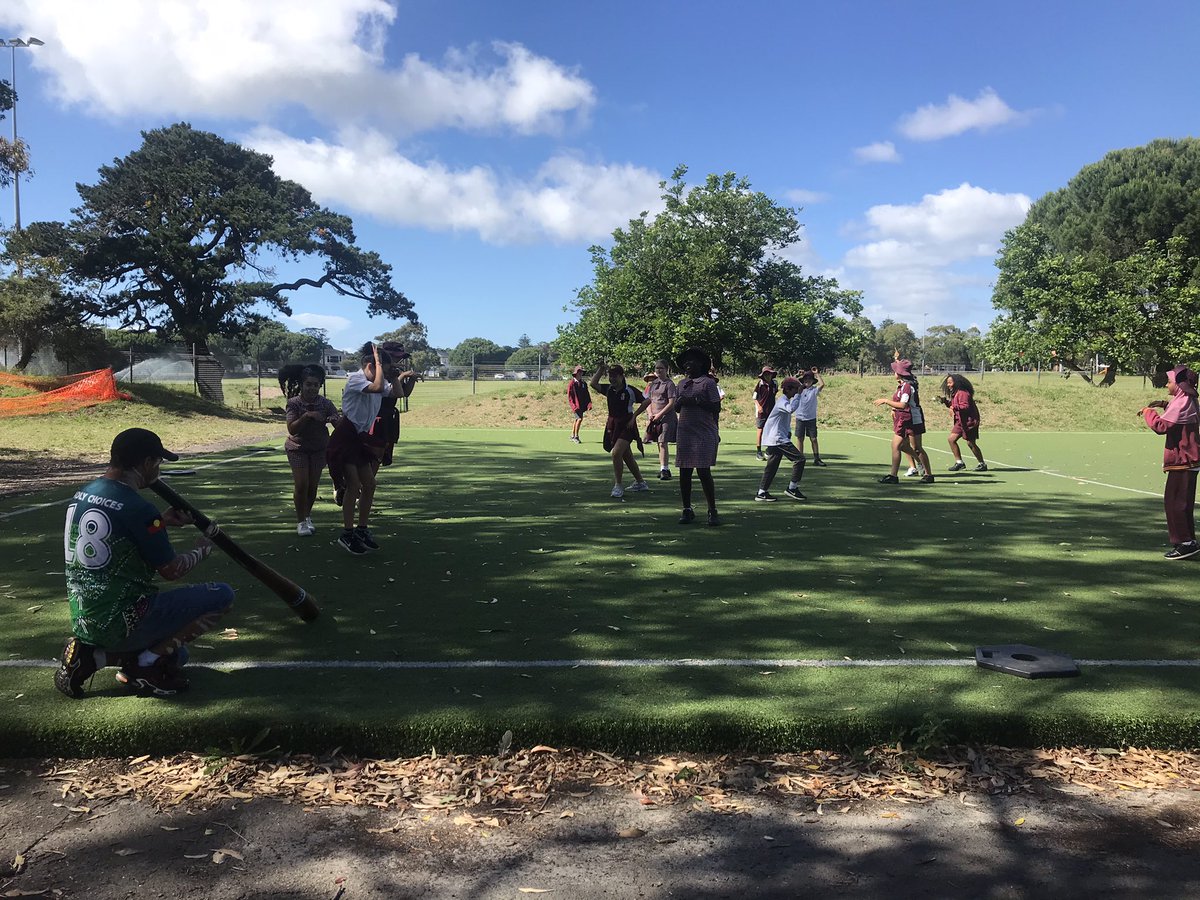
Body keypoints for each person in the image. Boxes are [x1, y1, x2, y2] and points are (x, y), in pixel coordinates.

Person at [55, 428, 235, 698]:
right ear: (148, 463)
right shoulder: (139, 508)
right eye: (158, 463)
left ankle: (92, 656)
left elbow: (116, 533)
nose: (158, 469)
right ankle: (143, 667)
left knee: (178, 655)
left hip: (85, 619)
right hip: (124, 619)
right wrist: (201, 550)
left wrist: (159, 523)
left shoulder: (84, 493)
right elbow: (172, 570)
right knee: (222, 595)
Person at [326, 342, 405, 554]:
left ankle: (361, 529)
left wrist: (394, 375)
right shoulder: (356, 380)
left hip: (358, 439)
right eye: (381, 369)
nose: (384, 374)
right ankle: (347, 533)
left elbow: (398, 394)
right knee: (354, 485)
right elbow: (378, 387)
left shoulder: (379, 381)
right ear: (369, 366)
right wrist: (380, 364)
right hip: (345, 436)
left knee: (369, 484)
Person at [1141, 364, 1200, 560]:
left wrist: (1148, 412)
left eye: (1170, 381)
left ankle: (1185, 543)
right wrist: (1164, 405)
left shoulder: (1182, 403)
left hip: (1183, 460)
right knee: (1182, 503)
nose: (1167, 385)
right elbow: (1177, 415)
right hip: (1189, 460)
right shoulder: (1186, 401)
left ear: (1180, 385)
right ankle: (1188, 540)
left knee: (1175, 503)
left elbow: (1162, 426)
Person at [284, 364, 340, 536]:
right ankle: (300, 521)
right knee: (301, 484)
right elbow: (292, 429)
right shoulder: (294, 403)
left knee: (312, 486)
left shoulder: (325, 403)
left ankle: (307, 516)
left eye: (316, 385)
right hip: (298, 448)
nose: (312, 388)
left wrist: (333, 419)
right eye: (309, 384)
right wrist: (307, 416)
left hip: (319, 449)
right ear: (302, 385)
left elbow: (338, 422)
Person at [675, 348, 723, 525]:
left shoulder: (708, 383)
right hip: (685, 431)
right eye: (686, 362)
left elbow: (716, 407)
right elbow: (677, 408)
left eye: (692, 361)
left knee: (703, 471)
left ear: (701, 364)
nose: (688, 364)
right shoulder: (681, 384)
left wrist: (696, 401)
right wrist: (679, 403)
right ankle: (687, 509)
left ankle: (712, 510)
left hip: (703, 432)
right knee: (684, 472)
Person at [590, 361, 651, 498]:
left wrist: (634, 416)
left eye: (615, 376)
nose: (612, 379)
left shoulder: (630, 390)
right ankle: (640, 482)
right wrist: (600, 369)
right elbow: (593, 384)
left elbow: (647, 401)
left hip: (627, 425)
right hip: (613, 425)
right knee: (626, 455)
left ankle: (618, 485)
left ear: (622, 376)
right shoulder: (609, 389)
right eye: (610, 376)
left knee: (616, 453)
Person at [874, 357, 933, 484]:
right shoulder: (902, 386)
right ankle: (893, 476)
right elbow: (899, 404)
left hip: (913, 419)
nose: (893, 373)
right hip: (903, 419)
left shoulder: (907, 386)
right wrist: (893, 409)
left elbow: (903, 405)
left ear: (899, 373)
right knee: (897, 445)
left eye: (895, 371)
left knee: (917, 448)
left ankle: (928, 474)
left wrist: (886, 401)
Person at [756, 376, 807, 502]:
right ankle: (792, 488)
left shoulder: (784, 400)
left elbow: (783, 420)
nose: (796, 391)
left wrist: (788, 432)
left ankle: (762, 492)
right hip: (778, 439)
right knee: (800, 459)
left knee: (772, 467)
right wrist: (799, 395)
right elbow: (791, 410)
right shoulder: (782, 401)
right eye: (795, 389)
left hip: (776, 438)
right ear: (788, 389)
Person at [377, 341, 419, 468]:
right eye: (395, 356)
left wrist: (411, 379)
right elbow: (390, 392)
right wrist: (400, 376)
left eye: (400, 357)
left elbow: (404, 393)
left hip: (389, 416)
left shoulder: (395, 371)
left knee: (383, 455)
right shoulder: (379, 373)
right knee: (373, 454)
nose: (399, 359)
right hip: (376, 416)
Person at [939, 373, 987, 472]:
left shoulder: (963, 393)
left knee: (970, 443)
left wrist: (954, 407)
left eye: (950, 383)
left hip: (969, 422)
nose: (948, 385)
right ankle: (959, 463)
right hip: (960, 421)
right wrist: (946, 402)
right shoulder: (955, 393)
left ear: (956, 383)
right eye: (947, 383)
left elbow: (965, 406)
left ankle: (982, 463)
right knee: (951, 439)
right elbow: (954, 405)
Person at [644, 360, 678, 480]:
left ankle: (665, 469)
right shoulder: (652, 384)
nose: (658, 370)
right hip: (654, 418)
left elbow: (672, 402)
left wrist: (659, 414)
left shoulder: (669, 384)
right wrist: (650, 413)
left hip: (666, 417)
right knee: (659, 442)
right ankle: (664, 468)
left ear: (666, 370)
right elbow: (647, 400)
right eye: (657, 368)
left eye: (661, 368)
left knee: (663, 442)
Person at [795, 368, 827, 467]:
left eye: (809, 379)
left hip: (811, 418)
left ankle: (816, 459)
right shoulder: (799, 389)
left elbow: (822, 384)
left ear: (813, 381)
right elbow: (789, 384)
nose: (807, 381)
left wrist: (816, 374)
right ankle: (800, 459)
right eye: (805, 379)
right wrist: (797, 375)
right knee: (800, 438)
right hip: (800, 417)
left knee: (813, 439)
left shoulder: (814, 390)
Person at [752, 366, 778, 460]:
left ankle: (769, 450)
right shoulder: (760, 384)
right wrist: (759, 407)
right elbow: (754, 397)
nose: (768, 376)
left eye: (769, 374)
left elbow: (774, 394)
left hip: (771, 411)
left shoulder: (775, 383)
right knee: (760, 430)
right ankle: (758, 452)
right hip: (761, 411)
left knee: (772, 430)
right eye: (766, 374)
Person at [567, 365, 592, 443]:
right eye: (579, 372)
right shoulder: (571, 384)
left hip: (581, 405)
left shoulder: (583, 383)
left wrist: (589, 404)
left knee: (577, 419)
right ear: (576, 373)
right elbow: (570, 397)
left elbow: (587, 394)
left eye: (581, 372)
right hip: (576, 406)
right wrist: (574, 406)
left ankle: (572, 435)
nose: (581, 373)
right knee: (579, 419)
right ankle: (576, 437)